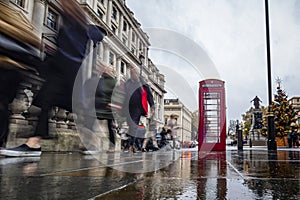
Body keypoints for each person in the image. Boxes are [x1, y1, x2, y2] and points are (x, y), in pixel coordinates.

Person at [0, 0, 107, 157]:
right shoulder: (66, 23)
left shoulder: (82, 27)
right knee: (45, 104)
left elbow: (98, 36)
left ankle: (90, 142)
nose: (63, 5)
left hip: (71, 74)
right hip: (59, 72)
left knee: (77, 109)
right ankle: (34, 143)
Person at [83, 65, 118, 153]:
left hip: (108, 106)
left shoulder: (113, 82)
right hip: (97, 105)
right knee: (89, 123)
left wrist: (114, 104)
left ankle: (112, 146)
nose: (104, 70)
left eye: (107, 69)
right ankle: (91, 144)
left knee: (110, 126)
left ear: (111, 72)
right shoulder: (99, 80)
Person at [122, 66, 155, 153]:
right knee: (130, 126)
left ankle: (131, 145)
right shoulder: (128, 83)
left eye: (134, 73)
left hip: (138, 107)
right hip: (128, 107)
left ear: (137, 73)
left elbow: (149, 95)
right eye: (131, 73)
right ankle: (133, 145)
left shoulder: (143, 83)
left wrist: (152, 106)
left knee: (133, 125)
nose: (133, 74)